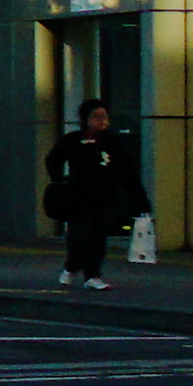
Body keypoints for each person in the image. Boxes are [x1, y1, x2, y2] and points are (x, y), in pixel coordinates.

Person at [45, 97, 148, 291]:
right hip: (79, 197)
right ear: (86, 119)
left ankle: (92, 275)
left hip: (105, 197)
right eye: (96, 116)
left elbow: (127, 173)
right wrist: (60, 179)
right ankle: (72, 266)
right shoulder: (73, 140)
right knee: (79, 236)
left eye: (105, 117)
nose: (101, 121)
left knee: (98, 238)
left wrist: (141, 201)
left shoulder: (113, 143)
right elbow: (53, 159)